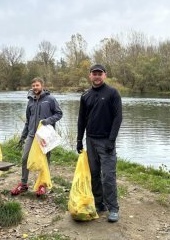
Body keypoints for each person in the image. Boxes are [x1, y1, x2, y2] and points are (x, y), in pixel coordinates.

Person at [76, 64, 123, 223]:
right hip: (90, 140)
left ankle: (114, 208)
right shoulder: (85, 95)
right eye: (94, 73)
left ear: (105, 75)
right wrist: (78, 139)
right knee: (94, 174)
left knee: (108, 176)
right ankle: (99, 203)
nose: (97, 76)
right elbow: (81, 119)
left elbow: (118, 118)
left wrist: (111, 140)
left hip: (106, 141)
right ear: (90, 76)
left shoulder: (112, 93)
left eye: (99, 73)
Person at [11, 77, 63, 196]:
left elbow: (59, 114)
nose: (35, 87)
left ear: (42, 86)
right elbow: (28, 121)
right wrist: (23, 136)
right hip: (31, 135)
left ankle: (43, 185)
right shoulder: (30, 101)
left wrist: (48, 120)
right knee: (25, 158)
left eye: (37, 85)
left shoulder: (50, 99)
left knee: (44, 160)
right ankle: (23, 184)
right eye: (33, 85)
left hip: (45, 135)